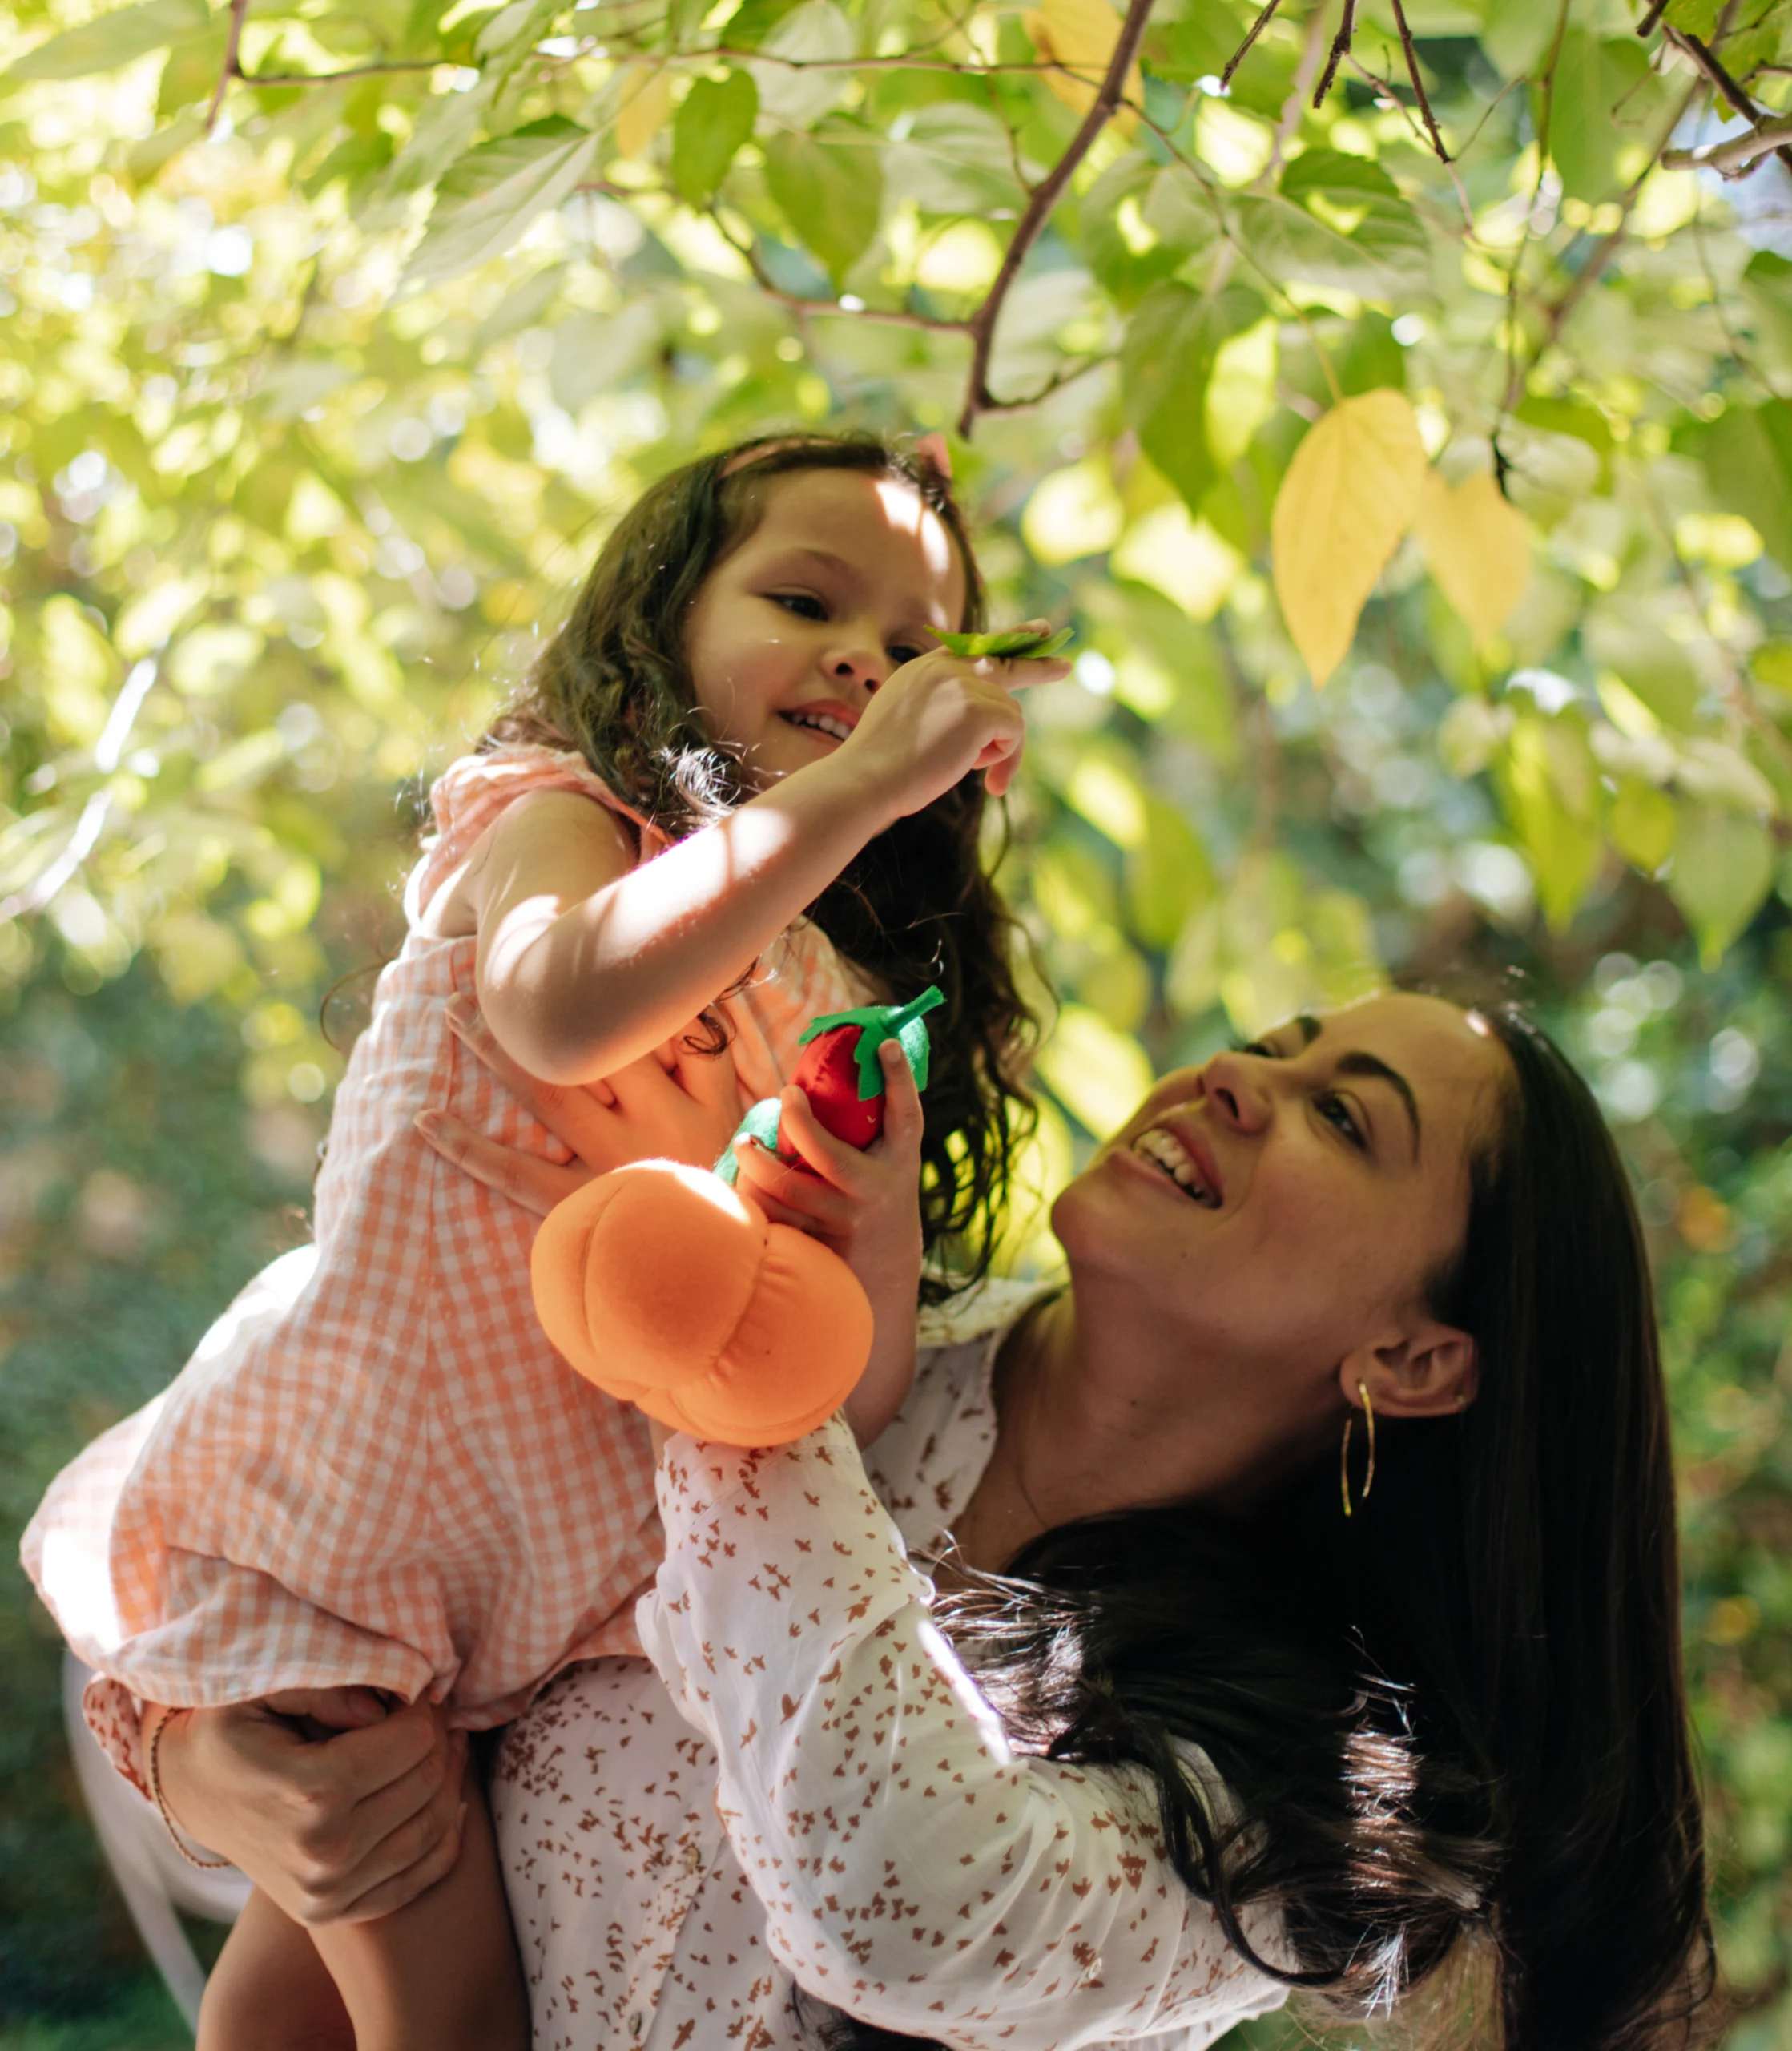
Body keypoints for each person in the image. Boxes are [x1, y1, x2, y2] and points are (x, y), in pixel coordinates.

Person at [22, 431, 1069, 2050]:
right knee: (447, 2009)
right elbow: (563, 1000)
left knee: (281, 2007)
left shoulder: (820, 993)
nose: (868, 658)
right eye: (806, 597)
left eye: (918, 650)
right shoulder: (559, 820)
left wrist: (862, 1218)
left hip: (538, 1593)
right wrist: (866, 781)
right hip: (359, 1514)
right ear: (655, 624)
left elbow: (811, 1401)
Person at [147, 993, 1713, 2051]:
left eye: (1342, 1118)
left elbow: (890, 1885)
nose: (1240, 1072)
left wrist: (742, 1350)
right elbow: (330, 1565)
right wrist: (201, 1764)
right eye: (1277, 1039)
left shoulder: (1301, 1797)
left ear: (1413, 1357)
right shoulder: (864, 1316)